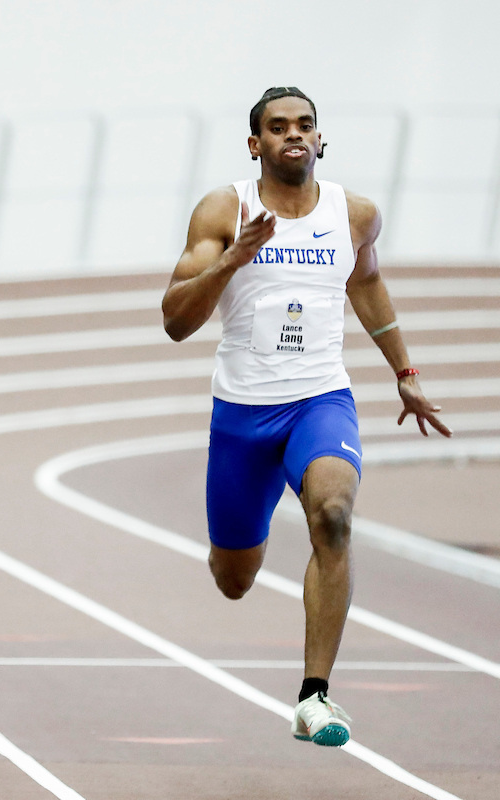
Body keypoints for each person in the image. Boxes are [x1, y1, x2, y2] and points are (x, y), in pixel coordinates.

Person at [161, 87, 451, 747]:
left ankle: (313, 697)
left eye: (305, 125)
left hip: (320, 402)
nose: (294, 134)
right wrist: (235, 257)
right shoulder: (223, 209)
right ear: (255, 143)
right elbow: (176, 320)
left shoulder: (354, 214)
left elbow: (367, 282)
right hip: (241, 416)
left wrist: (405, 374)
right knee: (233, 579)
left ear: (320, 139)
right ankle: (239, 540)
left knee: (334, 516)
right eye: (277, 126)